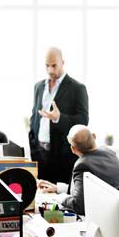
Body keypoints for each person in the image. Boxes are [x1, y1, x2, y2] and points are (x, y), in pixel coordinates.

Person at [29, 47, 89, 185]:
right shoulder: (38, 87)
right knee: (41, 198)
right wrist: (33, 148)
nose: (50, 70)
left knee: (59, 201)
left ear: (62, 63)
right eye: (47, 66)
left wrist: (58, 118)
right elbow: (34, 118)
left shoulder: (77, 88)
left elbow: (83, 120)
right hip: (39, 155)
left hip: (63, 158)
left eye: (54, 65)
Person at [38, 125, 119, 215]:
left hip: (100, 216)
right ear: (94, 136)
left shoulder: (82, 164)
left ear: (73, 149)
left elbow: (78, 206)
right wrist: (58, 188)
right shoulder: (109, 152)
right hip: (117, 211)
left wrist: (60, 198)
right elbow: (91, 191)